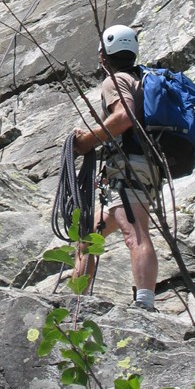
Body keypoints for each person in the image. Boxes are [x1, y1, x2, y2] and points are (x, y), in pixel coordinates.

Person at [72, 25, 160, 311]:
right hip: (141, 166)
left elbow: (123, 117)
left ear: (103, 55)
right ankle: (76, 301)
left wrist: (87, 141)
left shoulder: (115, 80)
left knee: (134, 232)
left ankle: (145, 303)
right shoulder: (141, 79)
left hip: (129, 167)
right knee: (89, 235)